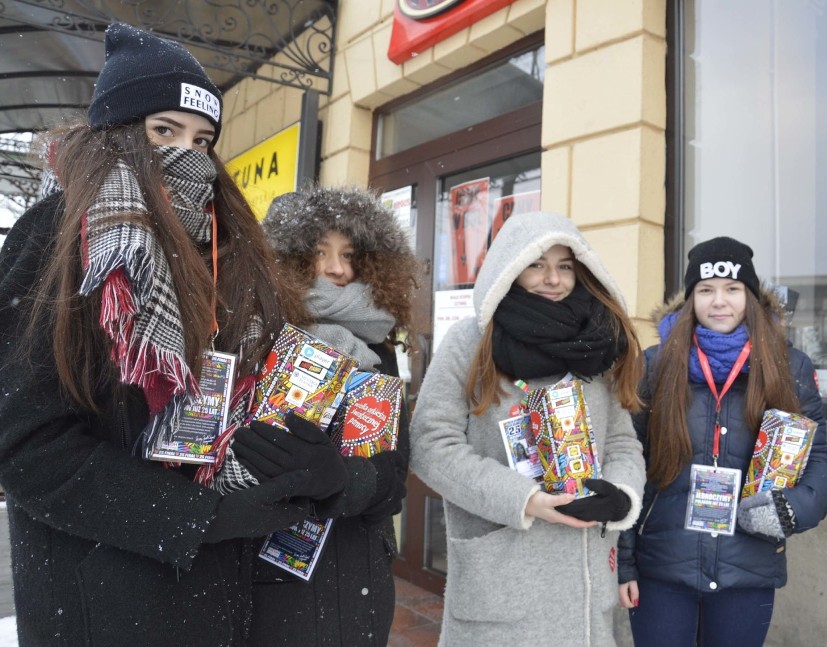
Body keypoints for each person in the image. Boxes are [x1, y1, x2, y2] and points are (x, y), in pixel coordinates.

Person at [0, 23, 349, 646]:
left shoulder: (228, 246)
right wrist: (193, 514)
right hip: (101, 597)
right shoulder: (57, 236)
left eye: (203, 139)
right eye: (164, 131)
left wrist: (297, 458)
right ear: (118, 133)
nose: (187, 153)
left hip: (218, 587)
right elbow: (26, 443)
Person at [410, 211, 647, 646]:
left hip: (586, 585)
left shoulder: (600, 343)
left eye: (565, 266)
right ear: (510, 268)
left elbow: (621, 441)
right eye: (536, 264)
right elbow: (430, 445)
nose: (552, 278)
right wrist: (526, 500)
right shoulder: (471, 341)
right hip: (502, 582)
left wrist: (620, 497)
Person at [617, 237, 827, 647]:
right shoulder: (655, 364)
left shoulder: (789, 367)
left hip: (747, 567)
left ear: (750, 297)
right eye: (706, 290)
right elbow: (629, 462)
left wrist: (792, 510)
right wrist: (624, 565)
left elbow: (818, 457)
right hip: (662, 569)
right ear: (690, 300)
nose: (720, 302)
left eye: (732, 289)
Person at [232, 184, 417, 646]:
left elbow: (394, 475)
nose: (336, 269)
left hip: (361, 572)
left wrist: (342, 480)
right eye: (319, 252)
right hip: (269, 572)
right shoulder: (252, 331)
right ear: (287, 255)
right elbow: (224, 461)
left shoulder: (379, 346)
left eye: (349, 254)